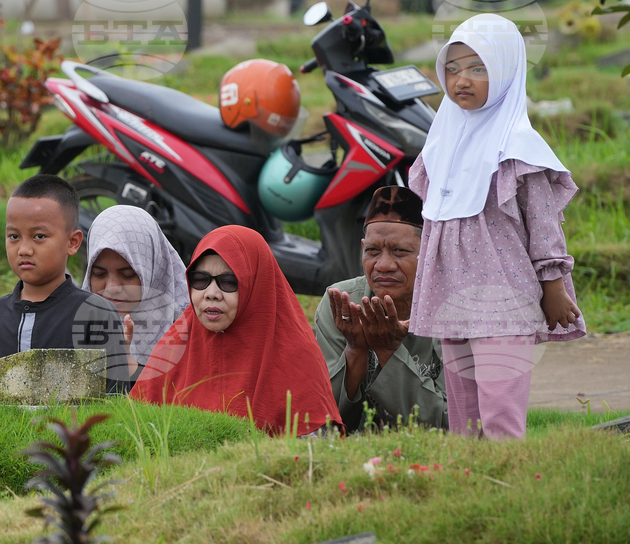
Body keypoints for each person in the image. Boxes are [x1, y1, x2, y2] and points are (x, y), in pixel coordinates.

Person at [409, 14, 585, 439]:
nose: (461, 80)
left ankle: (512, 489)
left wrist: (554, 287)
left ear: (506, 72)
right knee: (464, 420)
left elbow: (544, 226)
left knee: (500, 414)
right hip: (452, 299)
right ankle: (472, 490)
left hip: (504, 302)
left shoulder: (518, 149)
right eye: (452, 69)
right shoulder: (441, 143)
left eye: (477, 68)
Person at [131, 225, 341, 435]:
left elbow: (314, 450)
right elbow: (135, 429)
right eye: (200, 280)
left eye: (228, 282)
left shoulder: (296, 355)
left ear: (256, 284)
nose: (211, 293)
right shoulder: (176, 344)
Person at [0, 174, 130, 392]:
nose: (24, 249)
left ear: (72, 242)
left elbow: (114, 401)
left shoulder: (96, 315)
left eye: (39, 236)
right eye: (14, 236)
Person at [315, 186, 448, 431]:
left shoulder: (450, 308)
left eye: (400, 251)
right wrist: (355, 351)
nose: (383, 265)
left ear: (428, 252)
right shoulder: (342, 302)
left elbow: (449, 424)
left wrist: (388, 351)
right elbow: (323, 419)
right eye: (373, 251)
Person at [82, 205, 190, 379]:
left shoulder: (189, 330)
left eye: (128, 274)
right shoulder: (74, 323)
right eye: (99, 274)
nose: (112, 288)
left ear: (152, 270)